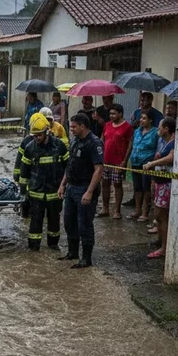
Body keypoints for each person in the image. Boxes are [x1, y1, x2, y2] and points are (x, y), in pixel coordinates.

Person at [58, 113, 104, 269]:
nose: (71, 129)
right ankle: (72, 252)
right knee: (69, 221)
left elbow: (98, 170)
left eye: (73, 127)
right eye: (71, 127)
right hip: (71, 186)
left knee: (84, 224)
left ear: (83, 126)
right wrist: (63, 184)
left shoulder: (94, 142)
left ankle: (86, 258)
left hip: (85, 187)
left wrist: (90, 192)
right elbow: (70, 164)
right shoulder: (75, 141)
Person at [19, 114, 69, 251]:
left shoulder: (59, 146)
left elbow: (68, 167)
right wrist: (23, 193)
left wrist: (65, 186)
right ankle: (34, 248)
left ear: (47, 132)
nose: (36, 138)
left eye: (39, 135)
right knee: (35, 222)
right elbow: (24, 172)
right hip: (36, 194)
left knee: (54, 221)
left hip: (55, 193)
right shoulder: (29, 148)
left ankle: (53, 245)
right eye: (34, 136)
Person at [143, 117, 175, 259]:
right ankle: (161, 242)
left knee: (162, 215)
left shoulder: (174, 142)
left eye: (161, 127)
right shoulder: (163, 141)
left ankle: (165, 247)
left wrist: (152, 163)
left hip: (167, 183)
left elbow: (170, 158)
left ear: (166, 129)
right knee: (158, 216)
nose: (158, 129)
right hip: (159, 181)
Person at [99, 104, 133, 219]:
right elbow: (102, 138)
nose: (111, 116)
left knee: (117, 185)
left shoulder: (127, 127)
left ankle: (117, 210)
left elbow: (130, 144)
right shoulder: (107, 125)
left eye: (114, 113)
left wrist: (125, 160)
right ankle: (105, 208)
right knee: (105, 183)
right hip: (106, 160)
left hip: (118, 161)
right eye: (110, 114)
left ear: (120, 114)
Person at [15, 113, 48, 219]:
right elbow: (20, 161)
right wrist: (18, 176)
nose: (37, 138)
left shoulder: (53, 143)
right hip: (32, 180)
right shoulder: (27, 143)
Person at [128, 110, 159, 222]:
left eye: (144, 118)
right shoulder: (137, 131)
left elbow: (158, 149)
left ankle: (145, 213)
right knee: (137, 188)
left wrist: (153, 163)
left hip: (147, 164)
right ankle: (137, 210)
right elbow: (132, 144)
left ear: (150, 120)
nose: (141, 120)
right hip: (135, 162)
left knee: (146, 188)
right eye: (141, 118)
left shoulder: (155, 132)